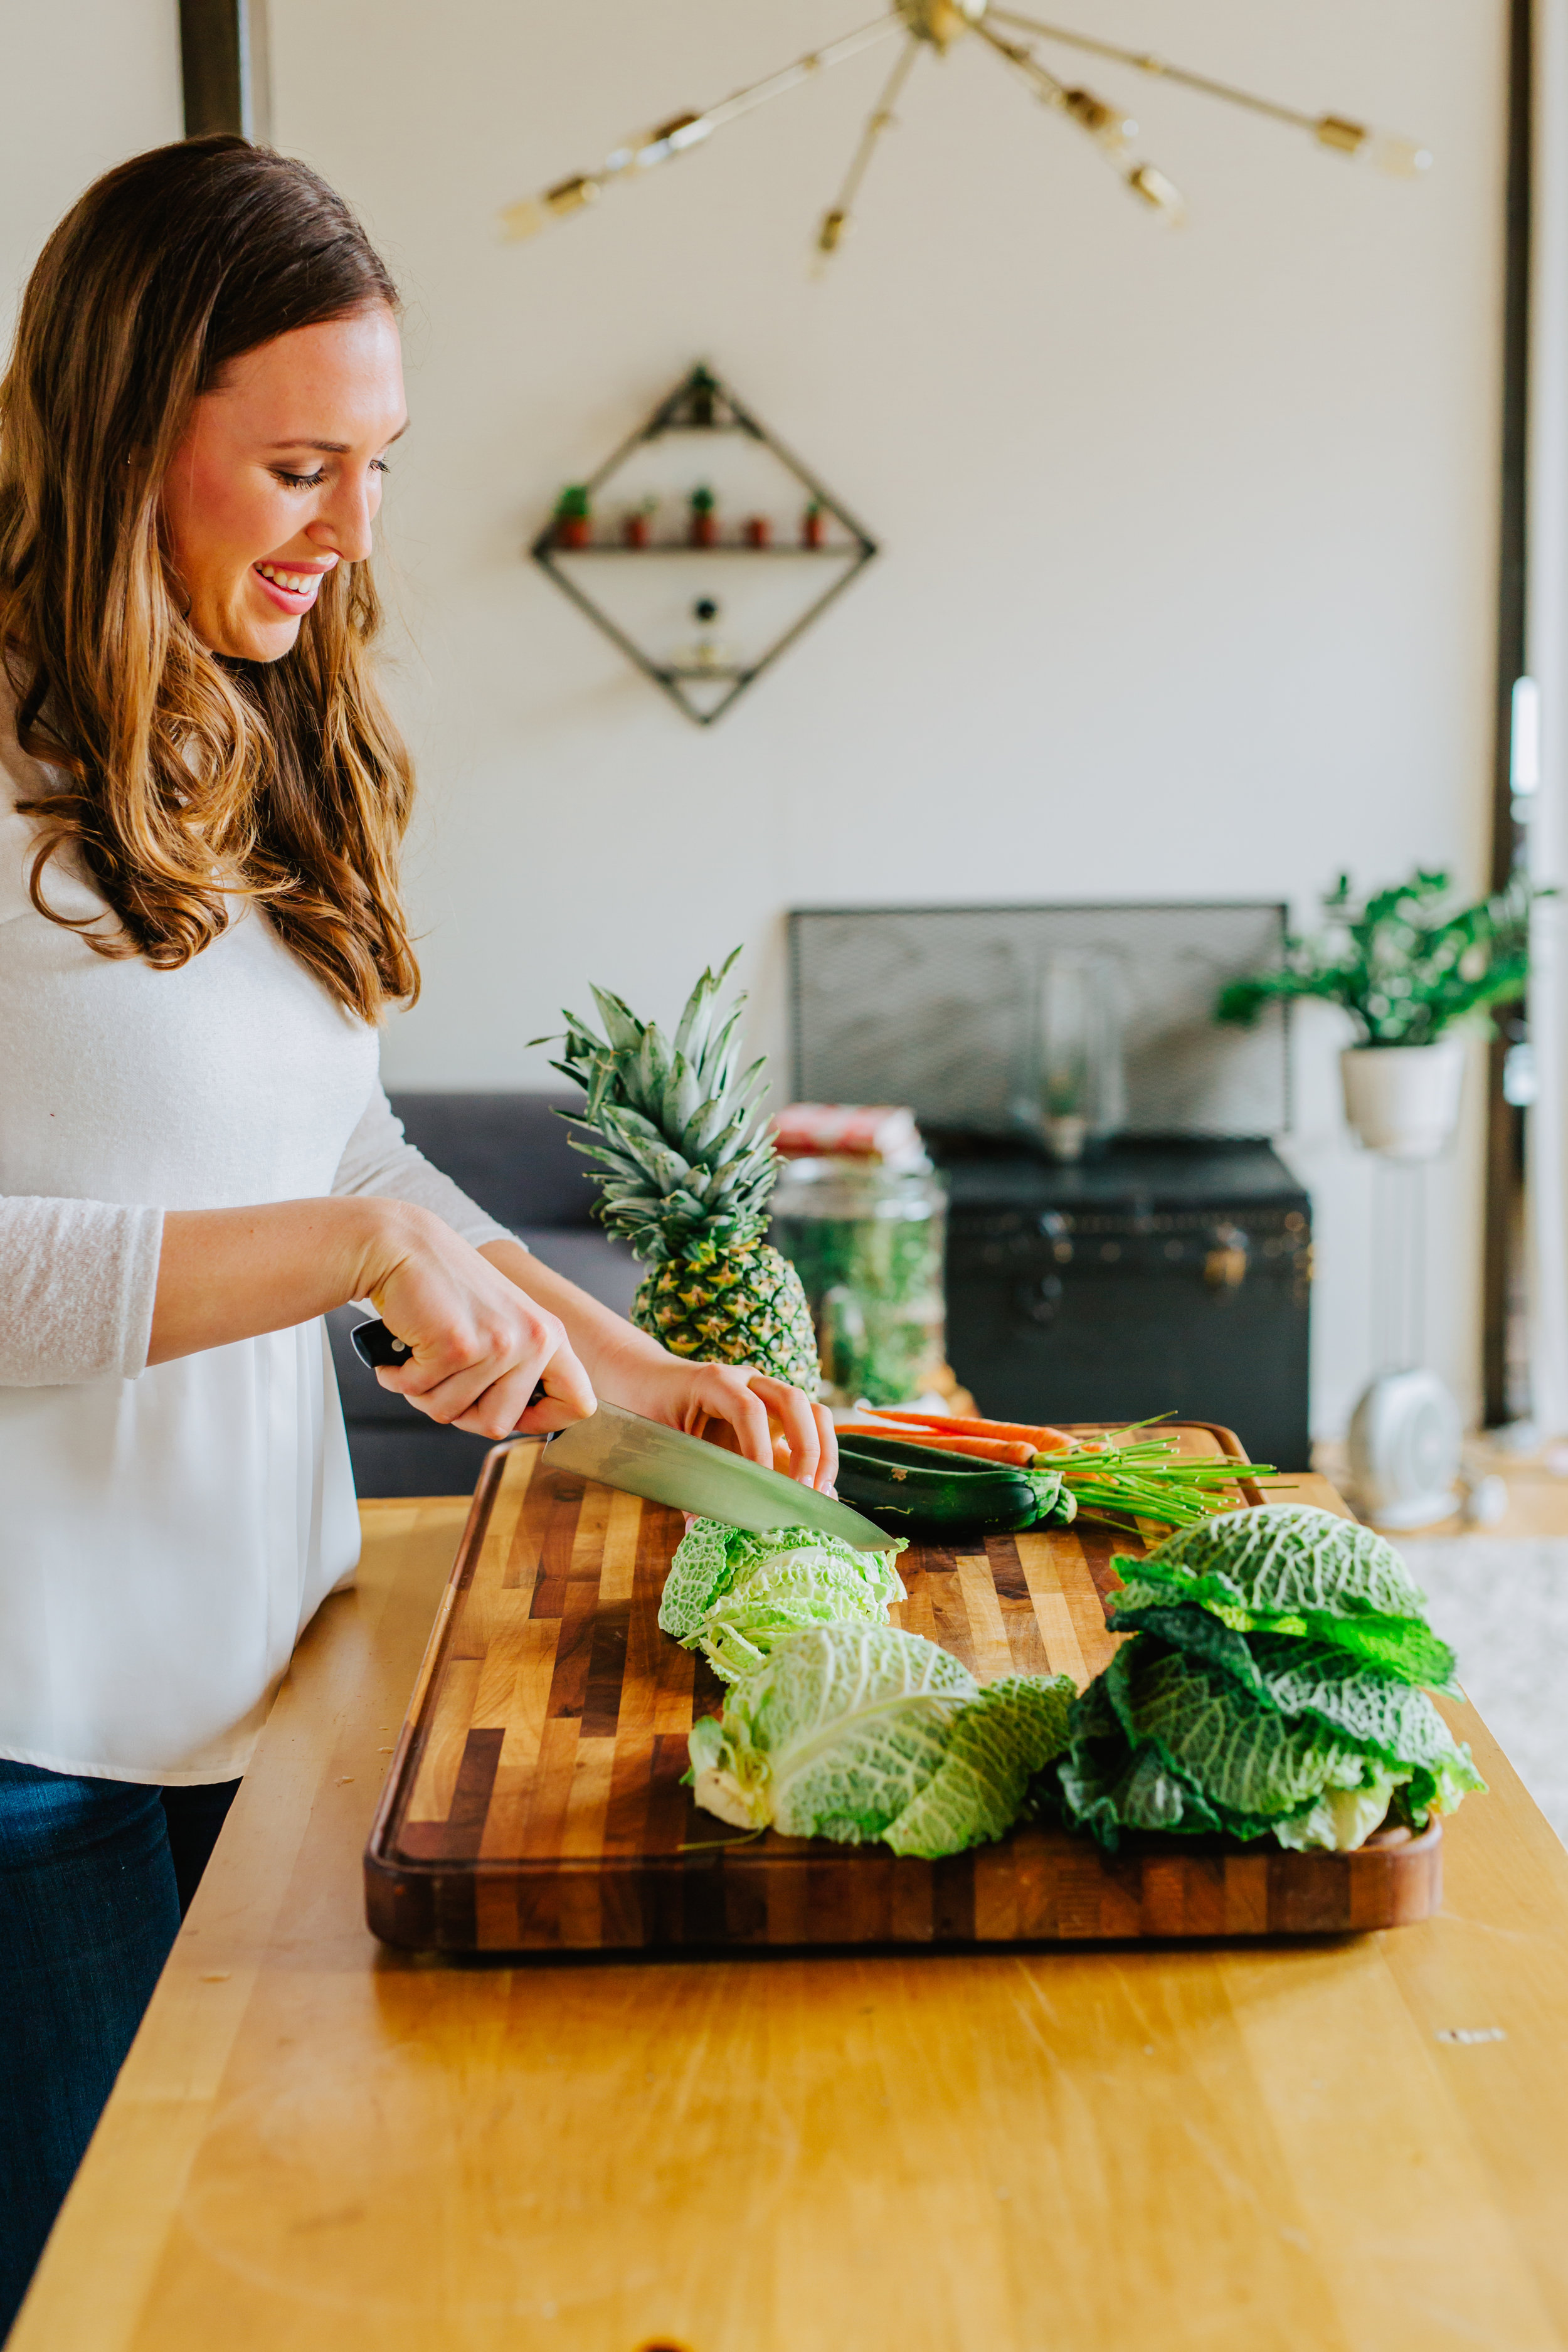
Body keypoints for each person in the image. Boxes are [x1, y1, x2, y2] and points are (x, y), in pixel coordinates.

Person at [0, 134, 836, 2326]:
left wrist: (633, 1372)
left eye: (376, 463)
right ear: (118, 428)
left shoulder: (229, 731)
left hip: (254, 1670)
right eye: (299, 469)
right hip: (28, 1739)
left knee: (272, 2266)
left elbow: (348, 1150)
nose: (358, 534)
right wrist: (352, 1267)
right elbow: (308, 1235)